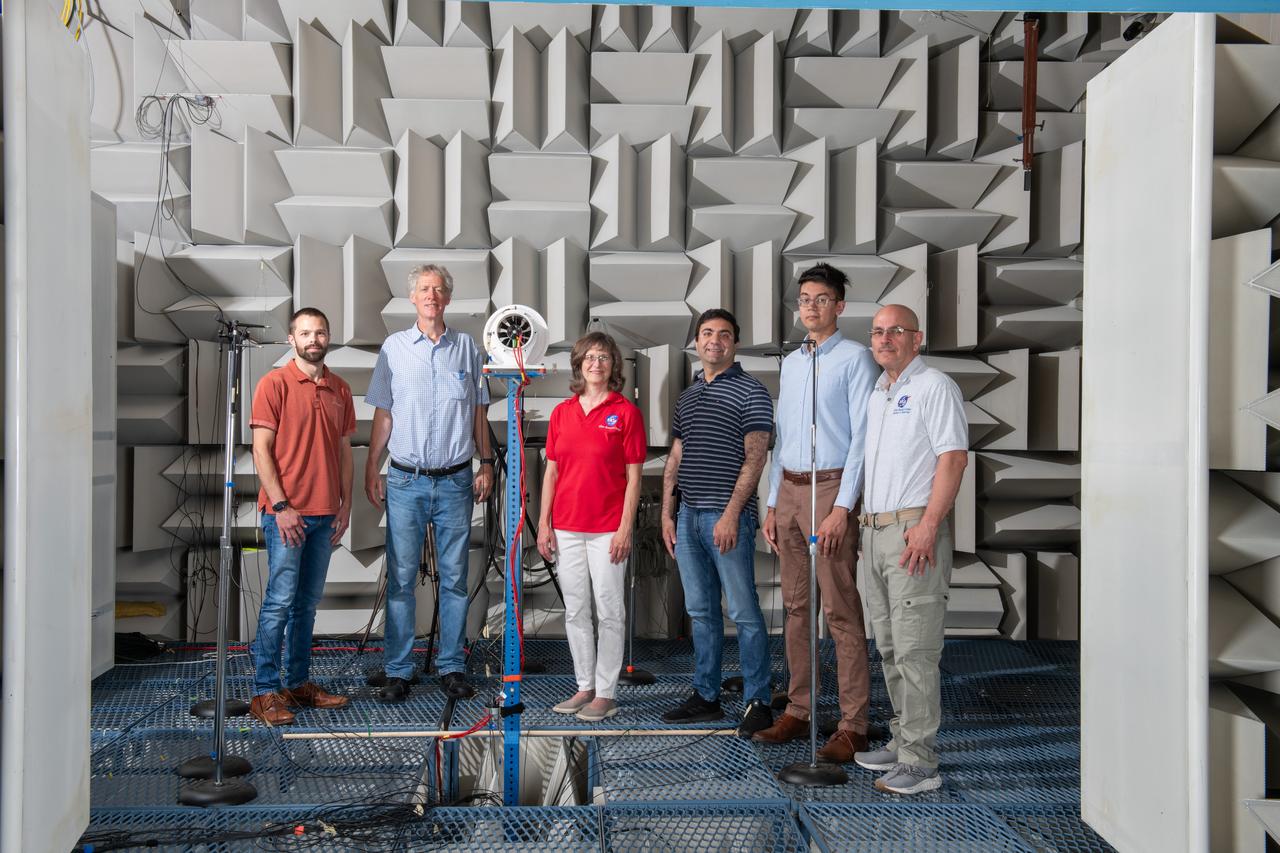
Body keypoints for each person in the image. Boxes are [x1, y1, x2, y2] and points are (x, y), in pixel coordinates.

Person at [753, 263, 878, 764]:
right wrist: (770, 500)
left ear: (839, 307)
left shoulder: (856, 360)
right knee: (798, 609)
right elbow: (783, 435)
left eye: (821, 298)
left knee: (842, 611)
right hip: (789, 489)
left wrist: (843, 508)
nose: (811, 306)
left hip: (830, 487)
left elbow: (863, 441)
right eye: (805, 298)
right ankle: (800, 708)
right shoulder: (792, 362)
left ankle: (854, 725)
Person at [364, 265, 494, 703]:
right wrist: (371, 468)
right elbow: (384, 413)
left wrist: (487, 463)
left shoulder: (468, 350)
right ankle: (399, 669)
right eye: (424, 289)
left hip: (456, 481)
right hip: (405, 481)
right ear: (413, 298)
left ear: (448, 299)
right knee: (401, 578)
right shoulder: (394, 348)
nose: (432, 295)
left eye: (439, 289)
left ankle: (452, 666)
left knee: (455, 578)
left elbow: (478, 412)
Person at [853, 304, 967, 795]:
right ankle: (903, 743)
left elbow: (954, 459)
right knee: (891, 647)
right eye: (877, 332)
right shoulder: (880, 393)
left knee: (917, 651)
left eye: (894, 331)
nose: (883, 339)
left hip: (911, 534)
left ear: (915, 339)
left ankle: (922, 764)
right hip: (874, 534)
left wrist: (927, 526)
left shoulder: (934, 387)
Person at [659, 309, 776, 737]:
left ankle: (758, 700)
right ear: (696, 340)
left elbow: (755, 457)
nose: (715, 341)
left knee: (744, 612)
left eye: (724, 334)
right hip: (688, 516)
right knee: (701, 613)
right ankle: (706, 696)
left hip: (727, 519)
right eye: (707, 333)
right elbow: (676, 456)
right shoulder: (688, 397)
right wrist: (668, 512)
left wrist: (730, 514)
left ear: (735, 344)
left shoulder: (751, 391)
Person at [248, 307, 355, 726]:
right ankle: (264, 692)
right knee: (278, 603)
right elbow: (261, 450)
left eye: (321, 332)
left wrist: (345, 504)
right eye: (306, 333)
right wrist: (280, 507)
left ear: (329, 338)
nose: (314, 339)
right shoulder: (273, 384)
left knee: (306, 606)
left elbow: (345, 451)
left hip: (325, 514)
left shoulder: (340, 389)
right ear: (292, 339)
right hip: (285, 515)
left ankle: (297, 684)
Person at [537, 332, 645, 722]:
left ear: (613, 365)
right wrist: (544, 524)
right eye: (589, 357)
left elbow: (634, 479)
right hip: (566, 526)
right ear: (579, 365)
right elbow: (551, 472)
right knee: (576, 610)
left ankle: (607, 692)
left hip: (606, 529)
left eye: (604, 357)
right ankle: (585, 685)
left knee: (609, 609)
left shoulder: (626, 413)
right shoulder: (562, 413)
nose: (596, 363)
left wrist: (625, 528)